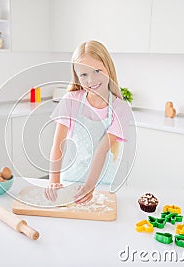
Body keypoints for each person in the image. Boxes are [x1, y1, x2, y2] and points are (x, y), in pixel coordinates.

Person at [45, 40, 131, 204]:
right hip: (70, 180)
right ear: (77, 76)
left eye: (97, 71)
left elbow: (101, 150)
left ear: (109, 68)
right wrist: (54, 181)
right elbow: (58, 146)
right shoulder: (70, 101)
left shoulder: (120, 108)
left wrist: (89, 187)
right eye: (83, 74)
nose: (91, 80)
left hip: (102, 185)